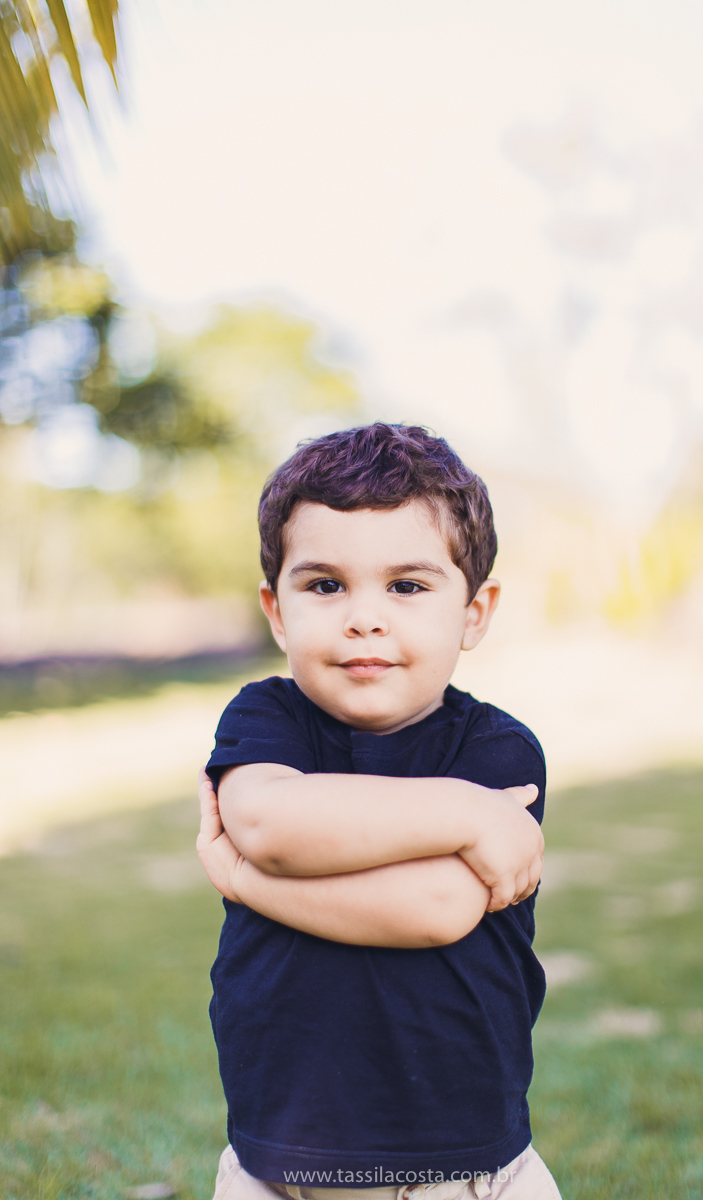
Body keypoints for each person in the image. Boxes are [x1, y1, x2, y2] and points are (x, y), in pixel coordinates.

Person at [196, 423, 560, 1200]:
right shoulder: (266, 722)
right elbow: (268, 824)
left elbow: (434, 906)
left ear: (474, 612)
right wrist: (465, 815)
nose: (365, 617)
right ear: (277, 610)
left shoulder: (496, 751)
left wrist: (243, 880)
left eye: (408, 585)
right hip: (277, 1165)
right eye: (325, 585)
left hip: (459, 1167)